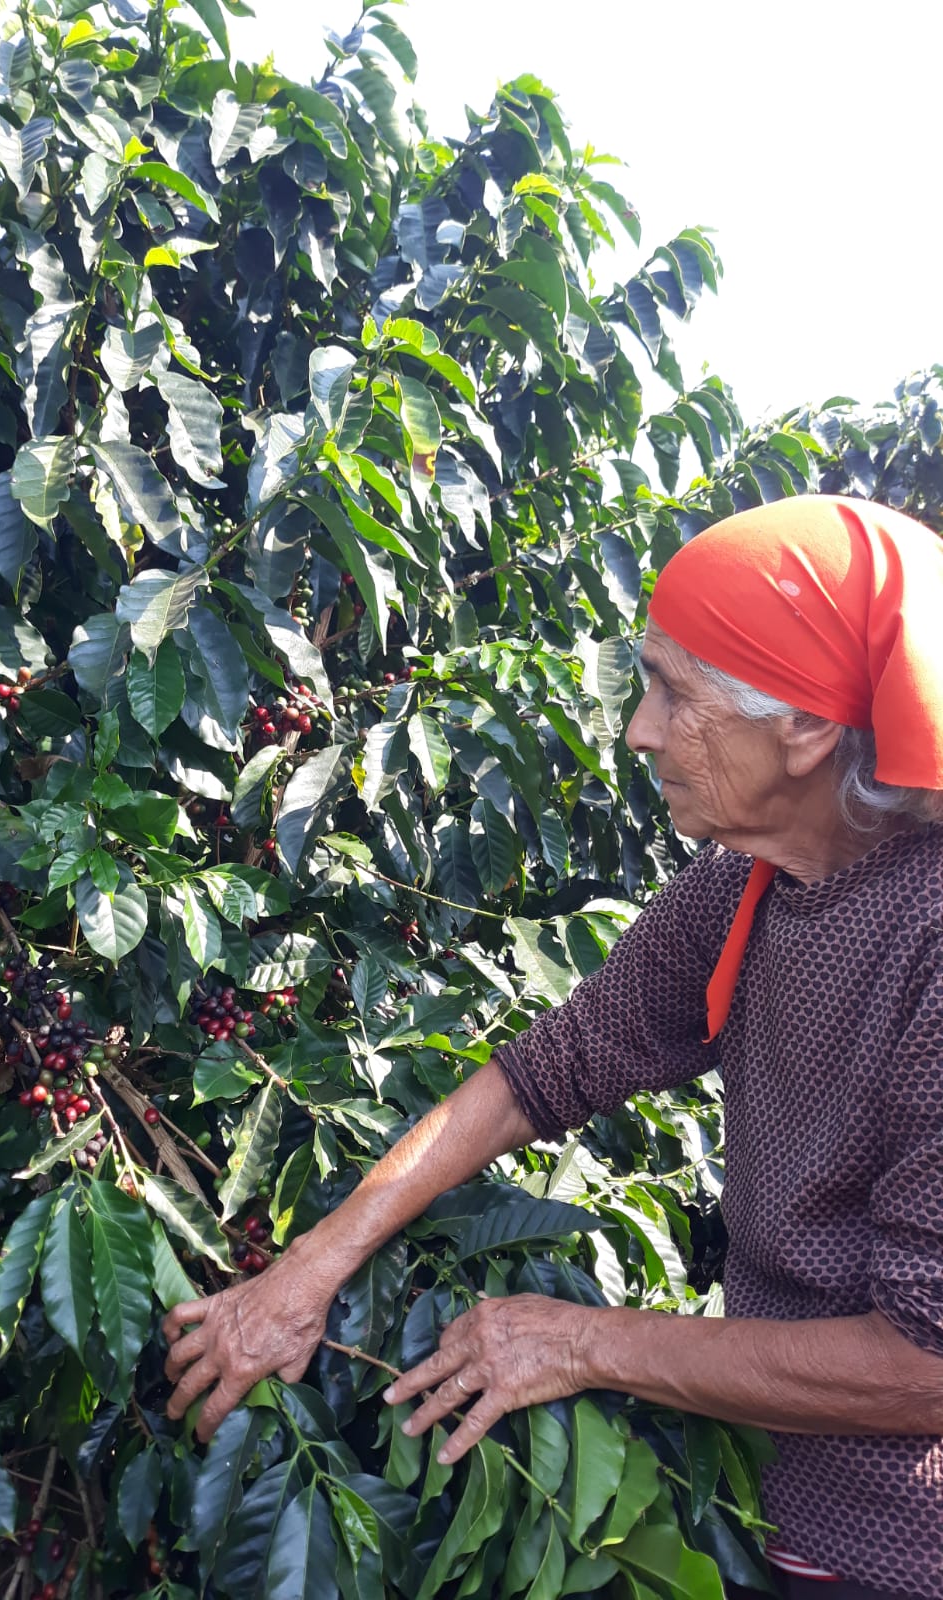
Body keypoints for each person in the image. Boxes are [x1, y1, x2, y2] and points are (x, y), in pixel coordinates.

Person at [164, 495, 943, 1600]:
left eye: (677, 691)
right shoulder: (748, 886)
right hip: (756, 1486)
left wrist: (584, 1340)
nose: (639, 728)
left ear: (808, 729)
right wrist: (308, 1270)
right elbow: (545, 1071)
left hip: (899, 1549)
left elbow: (927, 1366)